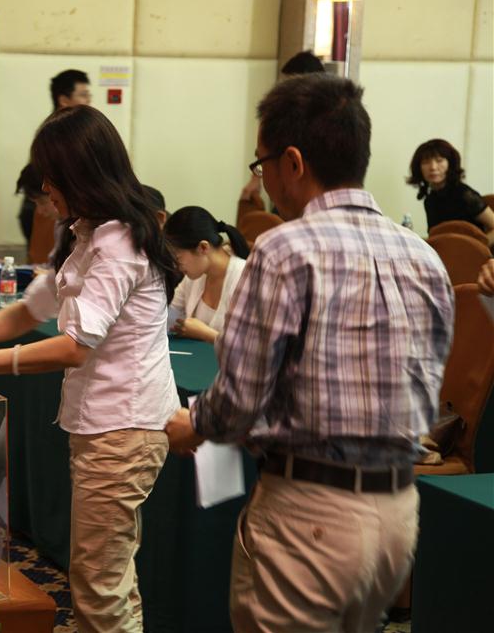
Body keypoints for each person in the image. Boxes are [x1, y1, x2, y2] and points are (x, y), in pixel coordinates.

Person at [165, 73, 455, 632]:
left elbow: (241, 398)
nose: (262, 179)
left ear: (293, 162)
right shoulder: (426, 258)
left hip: (310, 514)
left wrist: (193, 423)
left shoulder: (283, 249)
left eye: (262, 163)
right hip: (397, 513)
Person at [0, 105, 179, 632]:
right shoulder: (88, 233)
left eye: (53, 177)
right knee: (106, 577)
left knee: (100, 584)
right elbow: (29, 309)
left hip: (124, 426)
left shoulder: (119, 242)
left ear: (82, 174)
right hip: (106, 425)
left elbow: (73, 346)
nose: (46, 189)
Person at [236, 50, 326, 226]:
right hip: (289, 197)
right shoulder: (283, 119)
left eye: (288, 87)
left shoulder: (326, 124)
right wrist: (256, 180)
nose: (282, 94)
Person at [18, 69, 93, 246]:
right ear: (63, 99)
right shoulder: (56, 132)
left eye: (88, 95)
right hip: (47, 206)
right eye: (82, 95)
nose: (88, 101)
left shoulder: (76, 129)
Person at [165, 206, 249, 343]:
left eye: (177, 258)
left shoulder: (244, 278)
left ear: (203, 247)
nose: (175, 266)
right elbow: (169, 317)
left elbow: (249, 347)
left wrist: (205, 333)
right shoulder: (195, 275)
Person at [407, 138, 494, 245]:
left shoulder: (464, 194)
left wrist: (475, 248)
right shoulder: (429, 200)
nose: (433, 167)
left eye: (439, 160)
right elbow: (436, 236)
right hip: (444, 257)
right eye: (426, 162)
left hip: (474, 257)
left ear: (450, 164)